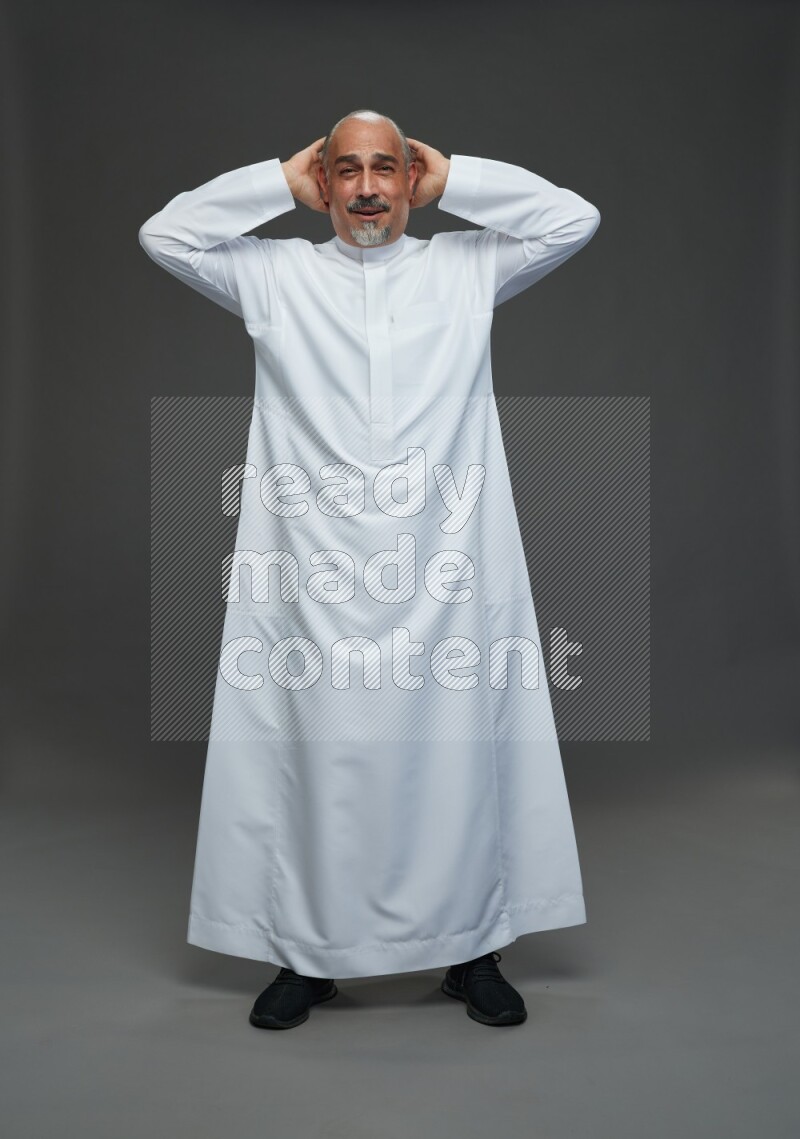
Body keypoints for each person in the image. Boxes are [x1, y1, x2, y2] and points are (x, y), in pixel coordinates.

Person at [139, 109, 600, 1030]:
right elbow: (166, 234)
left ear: (410, 177)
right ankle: (307, 956)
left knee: (455, 749)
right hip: (312, 569)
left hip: (446, 563)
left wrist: (458, 178)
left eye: (385, 169)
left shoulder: (468, 268)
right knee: (313, 755)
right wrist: (273, 181)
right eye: (344, 170)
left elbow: (571, 218)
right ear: (322, 183)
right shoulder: (273, 277)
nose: (367, 189)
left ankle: (474, 947)